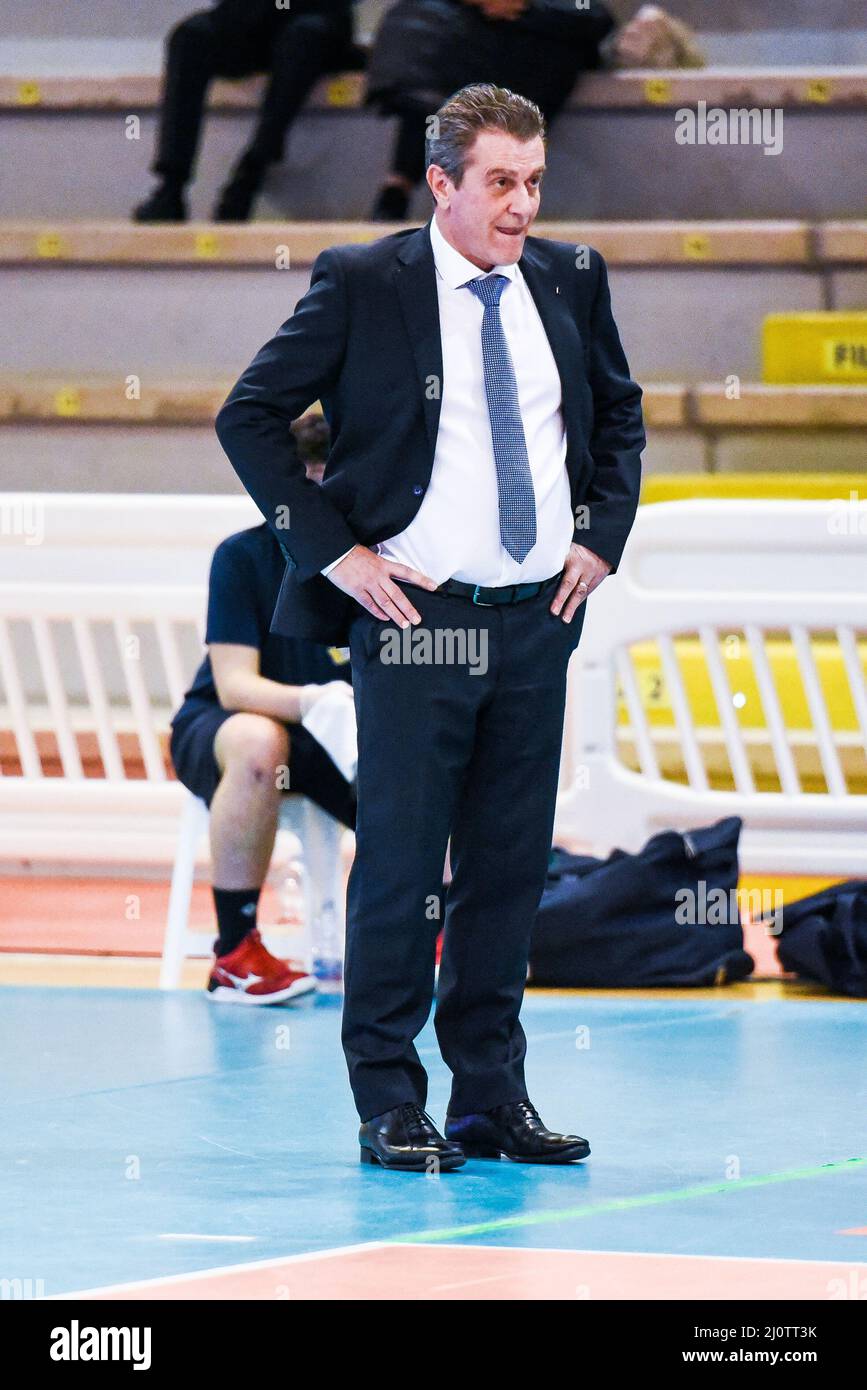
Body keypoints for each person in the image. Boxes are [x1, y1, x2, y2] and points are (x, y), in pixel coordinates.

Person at [215, 83, 645, 1169]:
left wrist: (601, 533)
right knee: (404, 865)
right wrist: (335, 552)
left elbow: (618, 413)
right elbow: (249, 416)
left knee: (506, 868)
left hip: (540, 615)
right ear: (443, 183)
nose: (522, 207)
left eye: (535, 182)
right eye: (500, 182)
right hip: (417, 621)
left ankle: (490, 1098)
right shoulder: (368, 282)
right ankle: (389, 1100)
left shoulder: (570, 276)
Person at [169, 414, 356, 1005]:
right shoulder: (243, 557)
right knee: (258, 740)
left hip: (335, 735)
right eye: (306, 490)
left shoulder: (383, 560)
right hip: (233, 730)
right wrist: (316, 700)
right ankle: (236, 952)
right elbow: (235, 687)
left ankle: (432, 934)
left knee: (440, 752)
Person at [134, 0, 361, 224]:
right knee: (190, 35)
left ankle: (251, 174)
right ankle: (171, 187)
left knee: (304, 36)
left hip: (316, 15)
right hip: (252, 17)